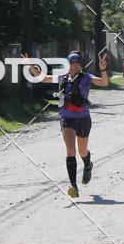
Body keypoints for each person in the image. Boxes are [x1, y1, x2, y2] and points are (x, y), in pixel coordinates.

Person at [26, 51, 109, 198]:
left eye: (76, 63)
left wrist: (103, 69)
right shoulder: (62, 78)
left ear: (81, 65)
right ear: (67, 65)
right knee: (71, 150)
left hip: (83, 118)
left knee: (82, 151)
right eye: (71, 63)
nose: (74, 66)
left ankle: (88, 165)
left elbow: (104, 83)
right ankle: (74, 186)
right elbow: (41, 77)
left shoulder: (86, 77)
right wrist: (30, 65)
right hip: (67, 119)